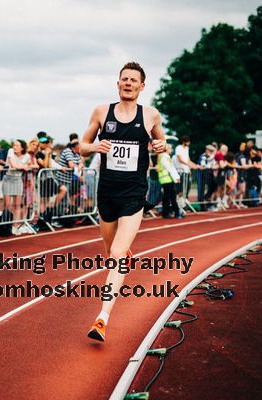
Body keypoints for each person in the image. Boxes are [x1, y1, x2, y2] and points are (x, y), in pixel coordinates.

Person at [80, 61, 166, 342]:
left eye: (133, 80)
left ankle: (102, 319)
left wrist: (160, 147)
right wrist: (95, 146)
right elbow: (82, 148)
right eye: (123, 79)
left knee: (117, 254)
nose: (128, 83)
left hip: (133, 193)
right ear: (118, 84)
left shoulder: (151, 115)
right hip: (106, 193)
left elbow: (162, 144)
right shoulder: (101, 112)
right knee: (111, 254)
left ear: (142, 87)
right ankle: (121, 256)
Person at [3, 139, 32, 235]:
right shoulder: (10, 151)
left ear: (22, 148)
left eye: (17, 145)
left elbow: (28, 166)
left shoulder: (27, 156)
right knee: (7, 205)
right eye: (14, 145)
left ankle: (15, 226)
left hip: (18, 180)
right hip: (8, 179)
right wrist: (22, 167)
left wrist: (22, 167)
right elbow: (13, 164)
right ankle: (7, 225)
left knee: (17, 205)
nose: (14, 147)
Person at [158, 144, 181, 218]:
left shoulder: (163, 156)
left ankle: (167, 213)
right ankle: (176, 212)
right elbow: (170, 168)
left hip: (165, 179)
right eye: (170, 149)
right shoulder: (165, 157)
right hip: (167, 179)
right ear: (166, 149)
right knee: (171, 197)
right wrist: (176, 177)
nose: (171, 150)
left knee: (167, 197)